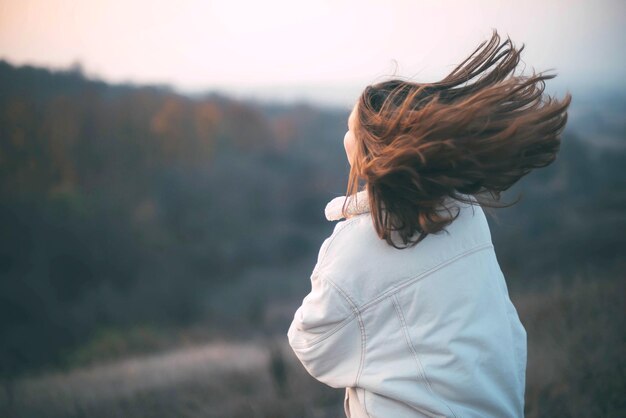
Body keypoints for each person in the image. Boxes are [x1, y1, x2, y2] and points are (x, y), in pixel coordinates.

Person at [287, 28, 572, 418]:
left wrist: (339, 244)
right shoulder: (464, 213)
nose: (346, 136)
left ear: (371, 147)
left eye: (352, 129)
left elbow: (310, 342)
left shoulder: (359, 244)